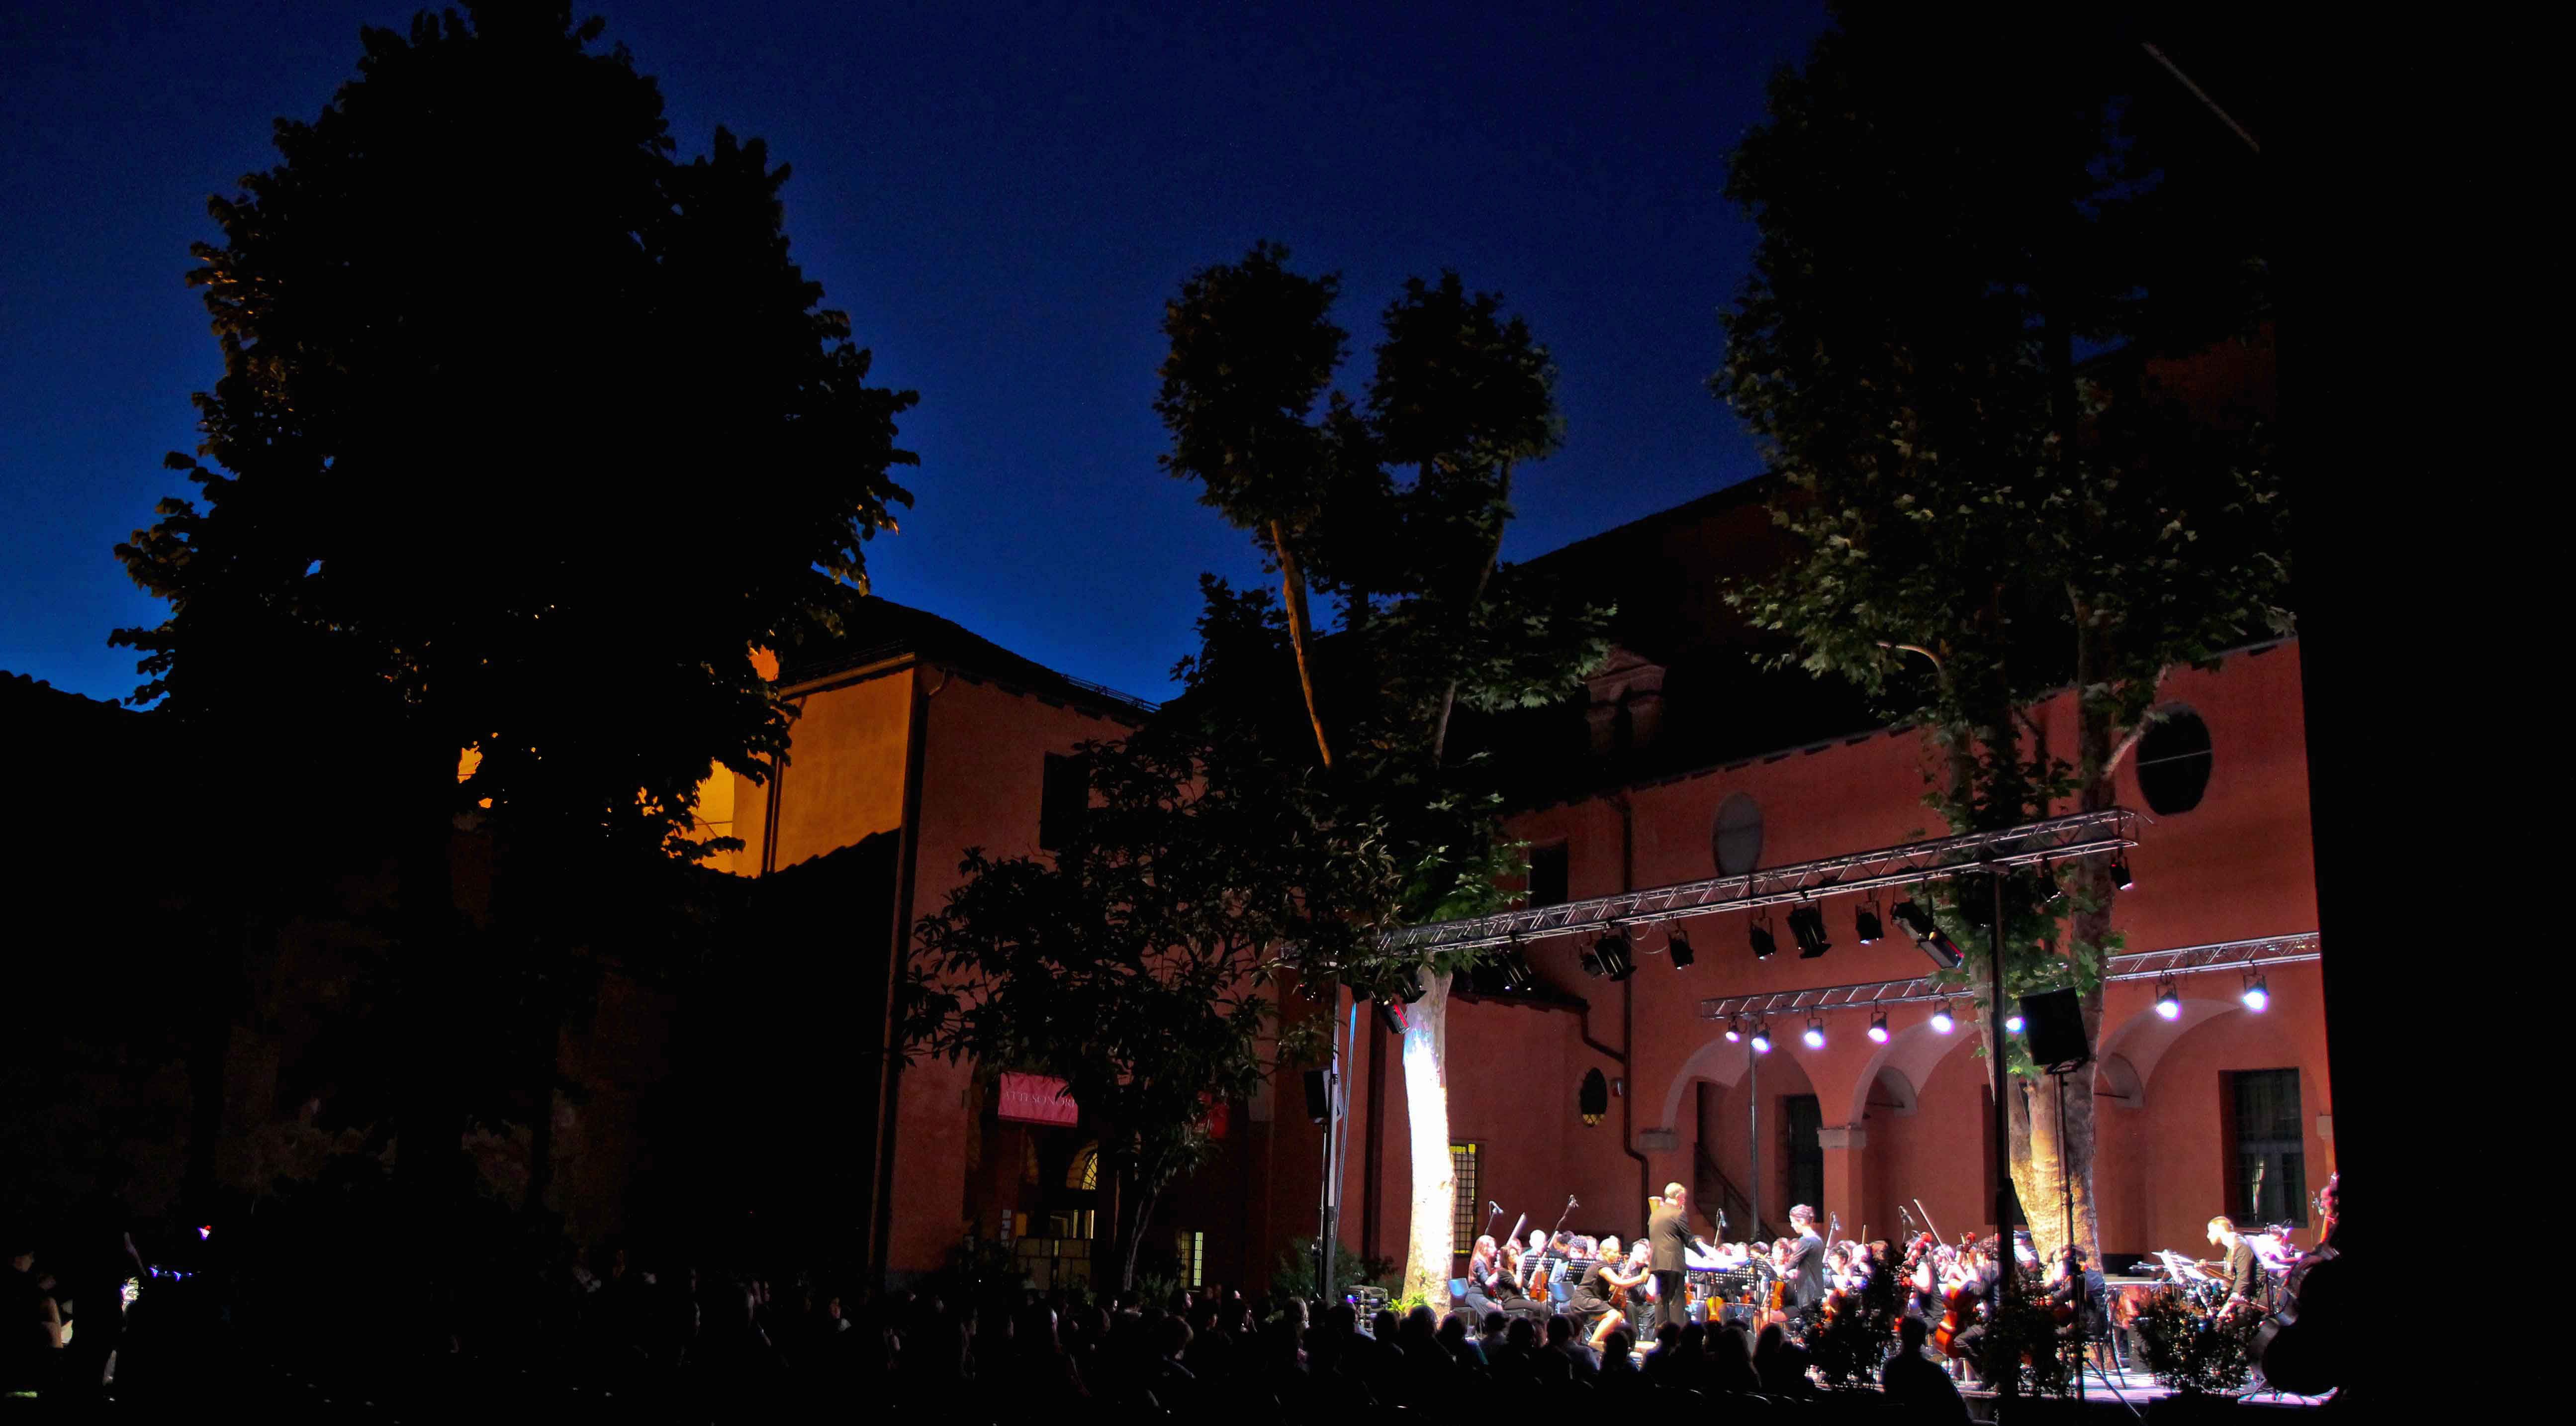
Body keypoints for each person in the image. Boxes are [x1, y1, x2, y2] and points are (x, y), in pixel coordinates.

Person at [1881, 1314, 1971, 1422]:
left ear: (1901, 1336)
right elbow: (1957, 1406)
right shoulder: (1934, 1372)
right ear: (1923, 1339)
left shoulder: (1890, 1367)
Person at [1646, 1183, 1703, 1343]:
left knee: (1661, 1299)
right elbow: (1689, 1239)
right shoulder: (1678, 1214)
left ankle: (1661, 1338)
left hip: (1657, 1262)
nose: (1684, 1201)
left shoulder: (1655, 1215)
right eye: (1684, 1198)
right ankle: (1677, 1339)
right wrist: (1705, 1255)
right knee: (1676, 1301)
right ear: (1678, 1197)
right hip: (1673, 1263)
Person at [2208, 1216, 2265, 1321]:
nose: (2208, 1236)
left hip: (2255, 1297)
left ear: (2220, 1230)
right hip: (2246, 1295)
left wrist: (2226, 1309)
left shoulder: (2241, 1245)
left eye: (2210, 1231)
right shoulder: (2232, 1246)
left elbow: (2243, 1280)